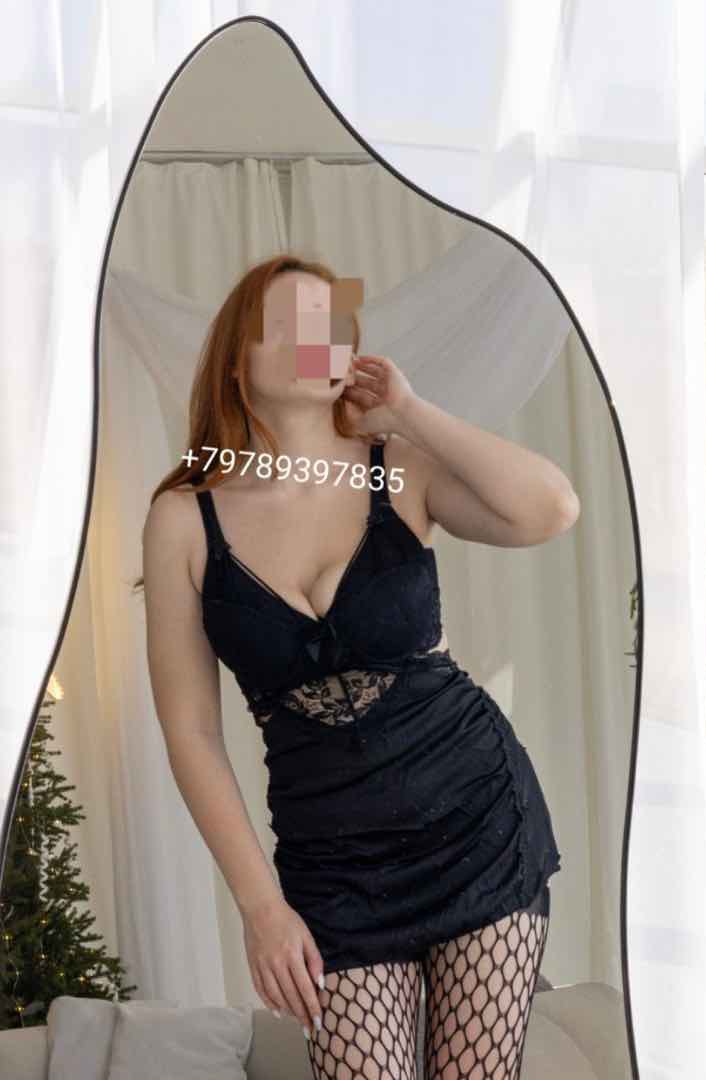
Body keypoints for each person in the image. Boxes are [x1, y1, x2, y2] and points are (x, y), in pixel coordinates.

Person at [139, 254, 577, 1079]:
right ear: (235, 358)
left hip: (474, 819)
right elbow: (190, 732)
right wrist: (261, 908)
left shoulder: (399, 466)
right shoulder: (184, 518)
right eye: (289, 324)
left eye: (329, 324)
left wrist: (409, 411)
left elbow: (549, 509)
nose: (316, 339)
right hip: (332, 866)